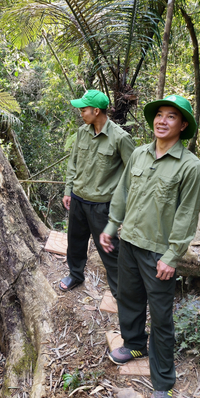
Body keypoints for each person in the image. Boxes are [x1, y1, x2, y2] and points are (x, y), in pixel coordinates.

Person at [100, 94, 200, 398]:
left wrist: (172, 256)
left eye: (171, 116)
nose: (162, 120)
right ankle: (134, 345)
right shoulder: (140, 155)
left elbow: (187, 215)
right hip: (129, 243)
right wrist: (110, 226)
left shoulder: (191, 167)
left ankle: (163, 383)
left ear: (183, 125)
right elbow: (122, 193)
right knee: (128, 298)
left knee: (161, 318)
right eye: (159, 115)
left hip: (159, 253)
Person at [60, 89, 135, 295]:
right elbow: (73, 163)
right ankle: (75, 274)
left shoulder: (120, 138)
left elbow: (133, 174)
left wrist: (123, 205)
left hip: (102, 205)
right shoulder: (81, 133)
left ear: (96, 111)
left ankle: (122, 290)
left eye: (83, 110)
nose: (80, 113)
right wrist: (68, 190)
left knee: (109, 250)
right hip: (77, 199)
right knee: (75, 241)